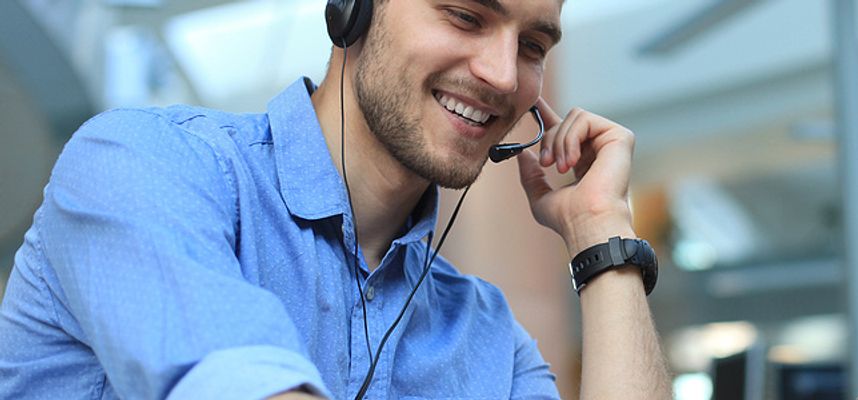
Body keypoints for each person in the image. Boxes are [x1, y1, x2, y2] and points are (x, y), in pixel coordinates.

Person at [0, 0, 670, 398]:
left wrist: (600, 235)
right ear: (354, 10)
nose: (501, 75)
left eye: (531, 46)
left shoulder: (486, 338)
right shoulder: (145, 165)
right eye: (466, 16)